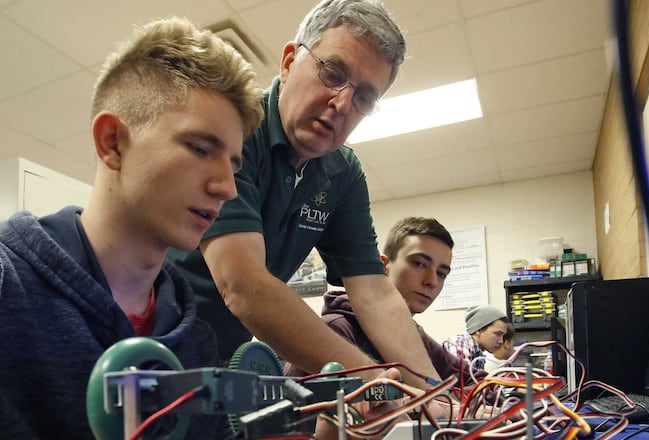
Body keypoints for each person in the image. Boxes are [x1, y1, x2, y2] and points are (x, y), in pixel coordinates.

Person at [0, 17, 264, 438]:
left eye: (233, 164)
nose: (227, 188)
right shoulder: (8, 288)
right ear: (112, 142)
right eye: (200, 148)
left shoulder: (195, 341)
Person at [168, 0, 442, 388]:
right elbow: (243, 286)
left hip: (222, 365)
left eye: (364, 97)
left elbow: (376, 295)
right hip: (144, 349)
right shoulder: (237, 129)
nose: (342, 104)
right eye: (332, 73)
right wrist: (379, 380)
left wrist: (429, 389)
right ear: (289, 61)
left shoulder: (342, 171)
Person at [284, 216, 462, 379]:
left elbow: (471, 379)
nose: (432, 281)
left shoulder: (417, 336)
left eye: (442, 274)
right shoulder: (337, 328)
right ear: (383, 265)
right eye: (419, 264)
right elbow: (291, 406)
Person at [444, 305, 509, 373]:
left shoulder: (479, 354)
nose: (501, 341)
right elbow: (463, 379)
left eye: (503, 335)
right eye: (497, 334)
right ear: (479, 330)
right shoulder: (458, 344)